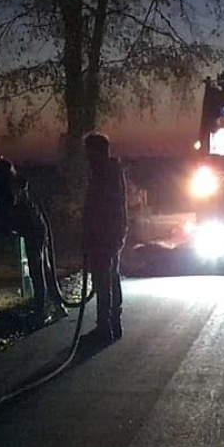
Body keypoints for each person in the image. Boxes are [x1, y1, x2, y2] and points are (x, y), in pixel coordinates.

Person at [0, 157, 67, 322]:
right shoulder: (17, 184)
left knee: (38, 270)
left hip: (34, 230)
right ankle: (57, 306)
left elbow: (6, 206)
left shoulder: (11, 188)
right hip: (38, 228)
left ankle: (41, 311)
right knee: (45, 268)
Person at [82, 130, 128, 340]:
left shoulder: (104, 174)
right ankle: (113, 323)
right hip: (111, 234)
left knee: (104, 281)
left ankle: (105, 327)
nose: (87, 158)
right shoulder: (110, 172)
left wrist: (92, 232)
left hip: (105, 235)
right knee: (110, 277)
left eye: (89, 153)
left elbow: (101, 207)